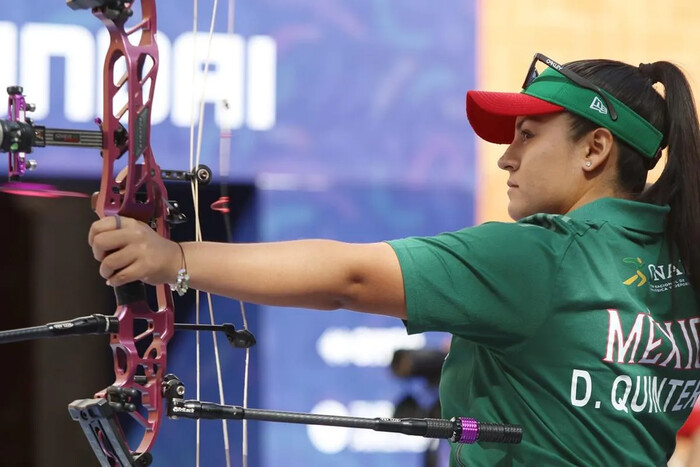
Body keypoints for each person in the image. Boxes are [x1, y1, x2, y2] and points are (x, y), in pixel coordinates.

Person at [88, 53, 700, 466]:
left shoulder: (543, 257)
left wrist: (170, 259)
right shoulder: (683, 256)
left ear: (595, 148)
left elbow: (349, 277)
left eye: (528, 135)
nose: (506, 159)